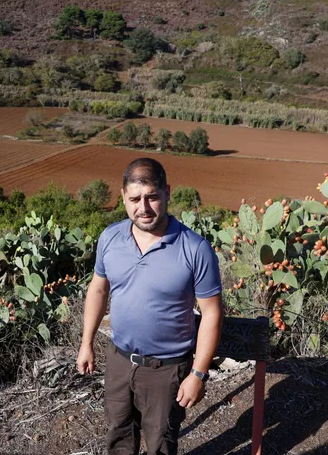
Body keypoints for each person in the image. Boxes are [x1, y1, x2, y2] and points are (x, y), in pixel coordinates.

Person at [77, 157, 223, 455]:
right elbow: (98, 288)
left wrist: (197, 374)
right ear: (123, 198)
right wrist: (86, 343)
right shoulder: (110, 238)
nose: (143, 208)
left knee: (160, 444)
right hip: (118, 360)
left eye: (152, 197)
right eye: (134, 199)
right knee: (117, 436)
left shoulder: (195, 249)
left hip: (166, 370)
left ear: (167, 192)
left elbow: (212, 313)